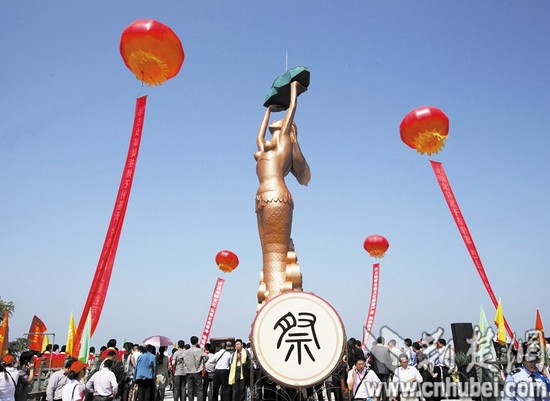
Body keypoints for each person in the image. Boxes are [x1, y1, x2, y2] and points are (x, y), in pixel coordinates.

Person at [255, 79, 310, 302]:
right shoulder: (265, 147)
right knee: (267, 255)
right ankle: (270, 296)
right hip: (261, 198)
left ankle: (278, 298)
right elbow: (259, 136)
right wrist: (268, 110)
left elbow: (292, 110)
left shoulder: (284, 142)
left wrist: (293, 89)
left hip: (277, 196)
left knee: (276, 253)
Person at [184, 336, 208, 401]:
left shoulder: (186, 351)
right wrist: (202, 362)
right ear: (197, 342)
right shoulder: (199, 350)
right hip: (197, 371)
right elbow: (206, 356)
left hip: (189, 371)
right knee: (199, 389)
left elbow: (184, 360)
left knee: (190, 389)